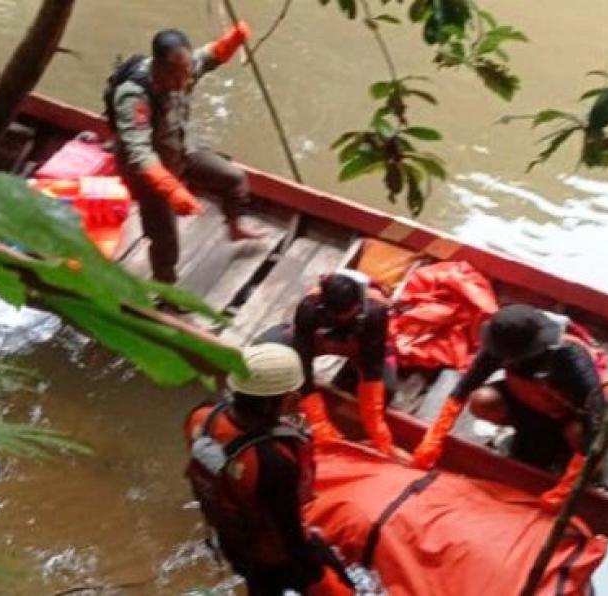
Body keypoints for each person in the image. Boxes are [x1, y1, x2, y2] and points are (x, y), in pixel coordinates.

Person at [183, 343, 353, 596]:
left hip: (234, 545)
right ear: (287, 400)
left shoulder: (202, 417)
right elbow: (292, 540)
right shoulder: (272, 461)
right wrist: (320, 579)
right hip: (275, 558)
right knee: (343, 586)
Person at [410, 304, 608, 512]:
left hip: (568, 414)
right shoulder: (500, 345)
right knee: (482, 400)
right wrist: (433, 440)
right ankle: (530, 434)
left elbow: (597, 417)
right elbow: (464, 388)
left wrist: (567, 486)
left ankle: (579, 465)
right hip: (528, 405)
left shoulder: (570, 354)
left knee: (579, 434)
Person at [105, 26, 263, 286]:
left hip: (179, 149)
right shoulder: (134, 96)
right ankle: (165, 290)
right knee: (165, 237)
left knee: (234, 179)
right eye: (175, 74)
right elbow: (139, 152)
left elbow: (209, 57)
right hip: (148, 171)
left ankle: (235, 226)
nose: (184, 80)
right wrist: (171, 189)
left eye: (187, 71)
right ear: (157, 66)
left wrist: (233, 40)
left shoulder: (185, 68)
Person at [258, 270, 397, 456]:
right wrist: (318, 421)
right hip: (321, 340)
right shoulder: (309, 307)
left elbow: (372, 368)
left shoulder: (376, 311)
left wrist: (377, 428)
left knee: (387, 388)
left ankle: (360, 434)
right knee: (269, 348)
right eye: (338, 315)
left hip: (361, 346)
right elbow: (302, 361)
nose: (343, 318)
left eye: (349, 314)